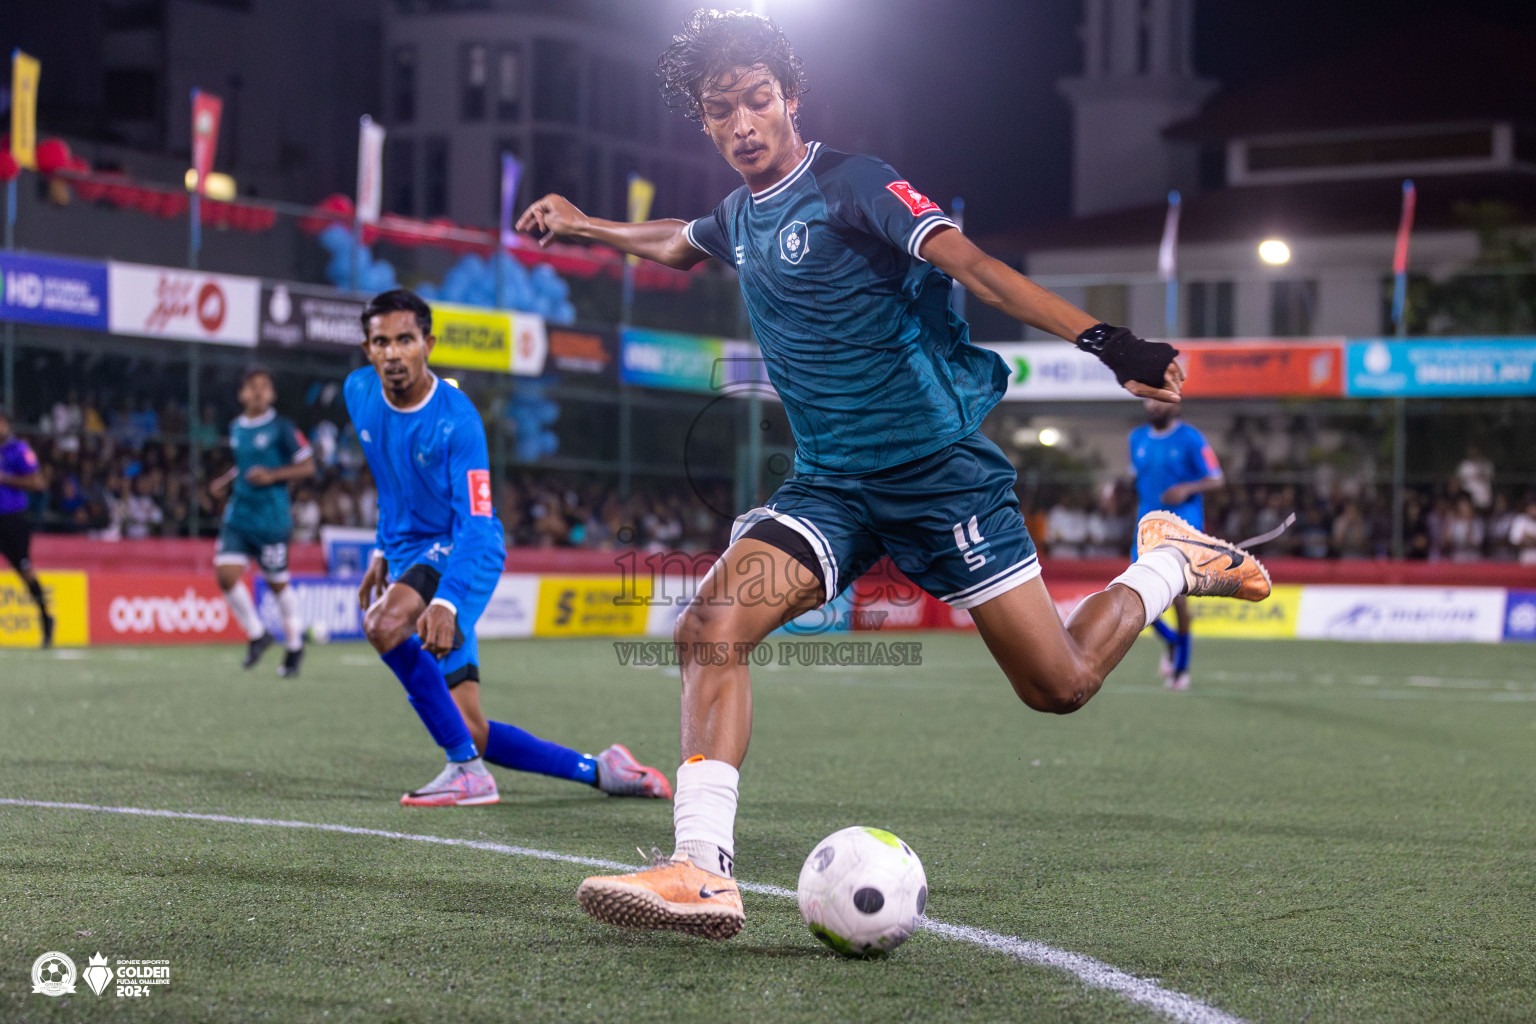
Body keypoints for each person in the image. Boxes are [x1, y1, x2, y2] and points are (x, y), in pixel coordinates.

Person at [516, 9, 1272, 941]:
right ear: (705, 123)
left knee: (1060, 684)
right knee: (710, 626)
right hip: (830, 485)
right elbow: (683, 238)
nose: (744, 122)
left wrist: (1106, 341)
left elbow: (978, 268)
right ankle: (702, 871)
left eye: (759, 99)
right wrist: (585, 223)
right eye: (723, 109)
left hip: (939, 474)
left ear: (791, 97)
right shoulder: (742, 216)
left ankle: (1170, 561)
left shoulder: (854, 184)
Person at [348, 288, 672, 807]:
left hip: (463, 550)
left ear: (427, 343)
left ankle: (469, 778)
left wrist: (448, 600)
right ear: (367, 349)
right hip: (411, 553)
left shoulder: (459, 420)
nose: (392, 353)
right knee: (471, 730)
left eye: (405, 339)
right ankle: (603, 771)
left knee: (385, 624)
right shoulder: (359, 392)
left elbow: (475, 523)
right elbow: (389, 481)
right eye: (380, 342)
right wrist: (381, 552)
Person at [209, 366, 316, 678]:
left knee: (277, 583)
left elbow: (307, 466)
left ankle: (295, 647)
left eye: (264, 386)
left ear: (272, 394)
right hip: (239, 514)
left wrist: (272, 476)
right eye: (252, 386)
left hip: (271, 519)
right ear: (242, 394)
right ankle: (258, 634)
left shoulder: (282, 428)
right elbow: (245, 465)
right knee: (225, 574)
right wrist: (227, 479)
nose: (258, 391)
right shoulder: (236, 428)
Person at [1129, 399, 1225, 690]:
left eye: (1161, 401)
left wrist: (1186, 488)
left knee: (1178, 598)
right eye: (1150, 400)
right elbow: (1139, 480)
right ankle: (1172, 642)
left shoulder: (1191, 438)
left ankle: (1182, 667)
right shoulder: (1136, 439)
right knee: (1137, 594)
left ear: (1175, 405)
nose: (1155, 406)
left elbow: (1216, 479)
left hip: (1182, 525)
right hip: (1146, 526)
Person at [0, 405, 55, 647]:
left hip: (12, 519)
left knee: (24, 570)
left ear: (6, 424)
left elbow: (37, 482)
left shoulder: (19, 450)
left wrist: (4, 478)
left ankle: (46, 619)